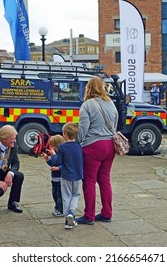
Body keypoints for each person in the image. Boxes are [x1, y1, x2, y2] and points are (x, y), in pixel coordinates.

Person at [76, 76, 118, 225]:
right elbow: (115, 125)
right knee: (104, 180)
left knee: (89, 181)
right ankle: (107, 213)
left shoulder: (87, 105)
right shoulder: (111, 103)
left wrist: (76, 143)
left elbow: (83, 129)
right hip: (110, 146)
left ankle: (89, 215)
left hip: (93, 146)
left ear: (88, 88)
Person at [51, 122, 83, 229]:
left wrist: (52, 156)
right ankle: (72, 213)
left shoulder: (62, 147)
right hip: (78, 175)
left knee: (66, 196)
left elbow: (58, 161)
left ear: (64, 134)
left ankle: (66, 219)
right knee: (76, 195)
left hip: (66, 175)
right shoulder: (79, 146)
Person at [43, 135, 65, 217]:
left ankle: (61, 209)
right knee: (55, 194)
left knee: (59, 195)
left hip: (60, 178)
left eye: (52, 145)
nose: (51, 147)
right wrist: (47, 159)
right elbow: (52, 163)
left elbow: (58, 163)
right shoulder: (56, 154)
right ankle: (57, 208)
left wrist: (53, 156)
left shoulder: (61, 154)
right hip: (54, 178)